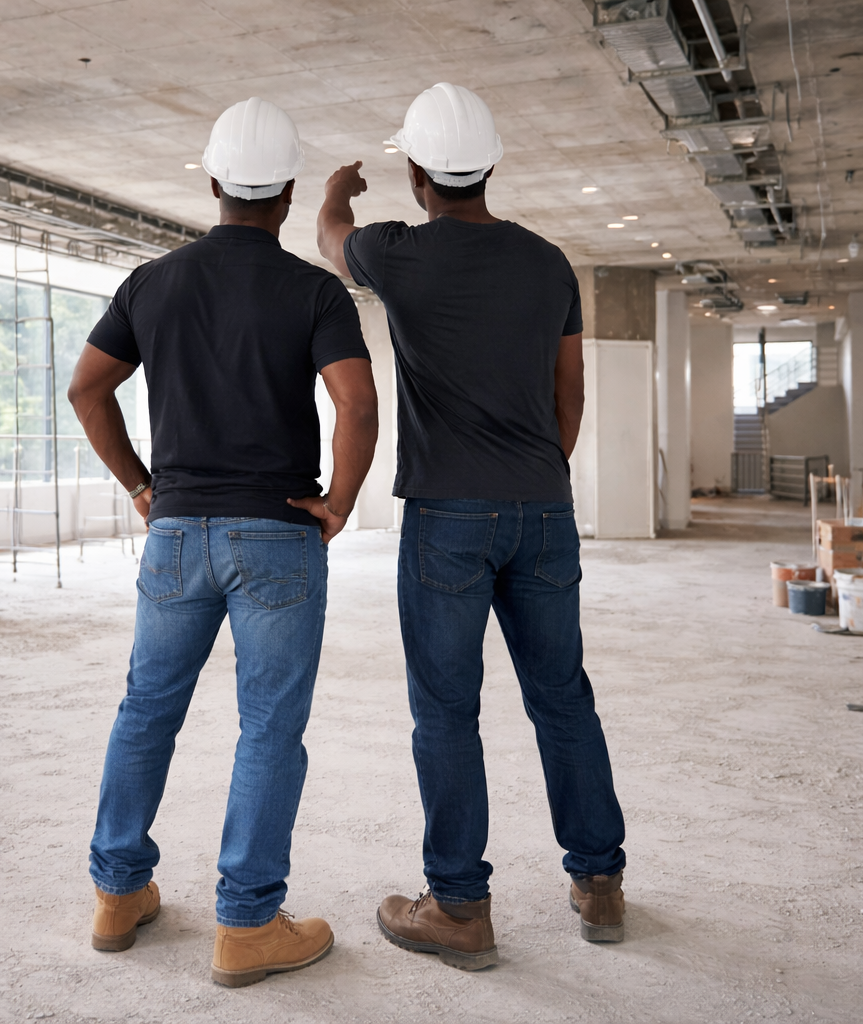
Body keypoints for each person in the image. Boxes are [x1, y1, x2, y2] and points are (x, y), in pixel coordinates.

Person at [315, 82, 627, 971]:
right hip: (544, 510)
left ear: (416, 170)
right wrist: (537, 477)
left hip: (448, 516)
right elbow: (570, 394)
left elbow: (329, 238)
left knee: (447, 711)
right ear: (490, 165)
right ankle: (598, 881)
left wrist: (340, 186)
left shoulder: (399, 253)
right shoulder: (548, 262)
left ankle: (457, 906)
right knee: (563, 697)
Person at [69, 96, 379, 988]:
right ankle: (246, 926)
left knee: (145, 712)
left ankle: (119, 893)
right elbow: (356, 404)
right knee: (270, 728)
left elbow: (89, 391)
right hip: (277, 533)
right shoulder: (313, 290)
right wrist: (341, 504)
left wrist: (140, 485)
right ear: (284, 196)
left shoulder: (150, 282)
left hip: (175, 534)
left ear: (212, 186)